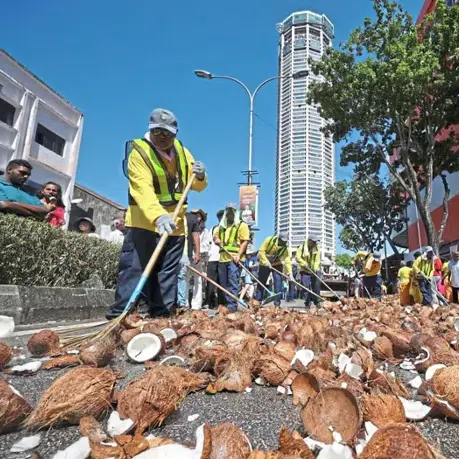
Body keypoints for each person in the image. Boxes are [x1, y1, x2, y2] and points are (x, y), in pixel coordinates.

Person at [106, 108, 207, 319]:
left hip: (176, 225)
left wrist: (201, 175)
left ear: (175, 133)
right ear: (150, 130)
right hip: (144, 222)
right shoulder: (139, 152)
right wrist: (158, 216)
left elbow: (197, 186)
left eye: (167, 133)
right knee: (135, 269)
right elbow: (142, 190)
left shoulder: (182, 151)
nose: (162, 137)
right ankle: (120, 316)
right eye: (157, 132)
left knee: (167, 274)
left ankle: (161, 316)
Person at [214, 203, 250, 311]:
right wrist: (216, 239)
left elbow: (244, 242)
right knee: (223, 284)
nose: (230, 214)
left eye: (232, 211)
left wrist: (238, 255)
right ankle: (225, 304)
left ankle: (232, 306)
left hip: (235, 259)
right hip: (222, 258)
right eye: (228, 211)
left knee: (233, 282)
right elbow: (215, 236)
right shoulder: (221, 227)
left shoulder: (241, 225)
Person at [256, 232, 293, 306]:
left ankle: (277, 304)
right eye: (282, 241)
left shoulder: (285, 248)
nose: (283, 242)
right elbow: (261, 251)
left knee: (278, 283)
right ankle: (257, 302)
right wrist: (266, 262)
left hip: (276, 264)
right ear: (278, 238)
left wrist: (290, 273)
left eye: (285, 241)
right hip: (265, 264)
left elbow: (287, 260)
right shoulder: (269, 240)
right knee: (261, 283)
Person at [176, 211, 200, 308]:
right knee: (178, 276)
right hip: (172, 251)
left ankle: (181, 303)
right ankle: (175, 301)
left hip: (184, 251)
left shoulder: (190, 218)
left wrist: (197, 253)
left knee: (182, 275)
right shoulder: (171, 213)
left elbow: (195, 235)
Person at [189, 209, 208, 310]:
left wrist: (197, 253)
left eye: (198, 215)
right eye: (194, 215)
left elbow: (206, 245)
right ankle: (184, 303)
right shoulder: (187, 227)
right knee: (184, 278)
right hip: (187, 255)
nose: (197, 217)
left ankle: (196, 305)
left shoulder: (205, 231)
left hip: (199, 257)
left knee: (198, 280)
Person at [205, 210, 224, 309]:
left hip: (224, 259)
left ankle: (221, 303)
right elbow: (209, 243)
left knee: (222, 282)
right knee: (211, 282)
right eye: (220, 216)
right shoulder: (213, 229)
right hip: (213, 258)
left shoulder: (228, 229)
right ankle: (211, 303)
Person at [296, 235, 321, 308]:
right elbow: (297, 257)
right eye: (313, 242)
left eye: (315, 242)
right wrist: (304, 263)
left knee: (316, 287)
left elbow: (317, 259)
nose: (315, 243)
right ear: (309, 241)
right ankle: (307, 303)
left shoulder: (317, 248)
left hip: (314, 271)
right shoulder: (302, 247)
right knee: (305, 287)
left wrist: (316, 268)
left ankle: (317, 302)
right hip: (304, 270)